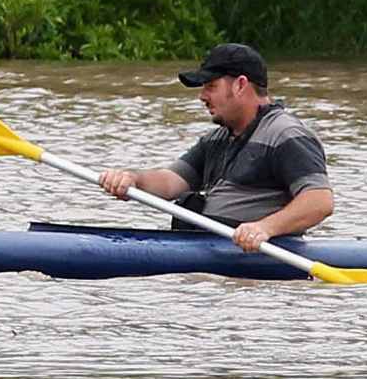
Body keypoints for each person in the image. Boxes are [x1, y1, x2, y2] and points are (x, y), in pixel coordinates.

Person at [97, 42, 335, 252]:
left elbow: (319, 201)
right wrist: (133, 180)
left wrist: (264, 228)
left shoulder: (286, 135)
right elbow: (171, 181)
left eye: (210, 86)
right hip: (205, 243)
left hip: (257, 255)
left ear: (240, 85)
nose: (202, 96)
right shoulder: (217, 139)